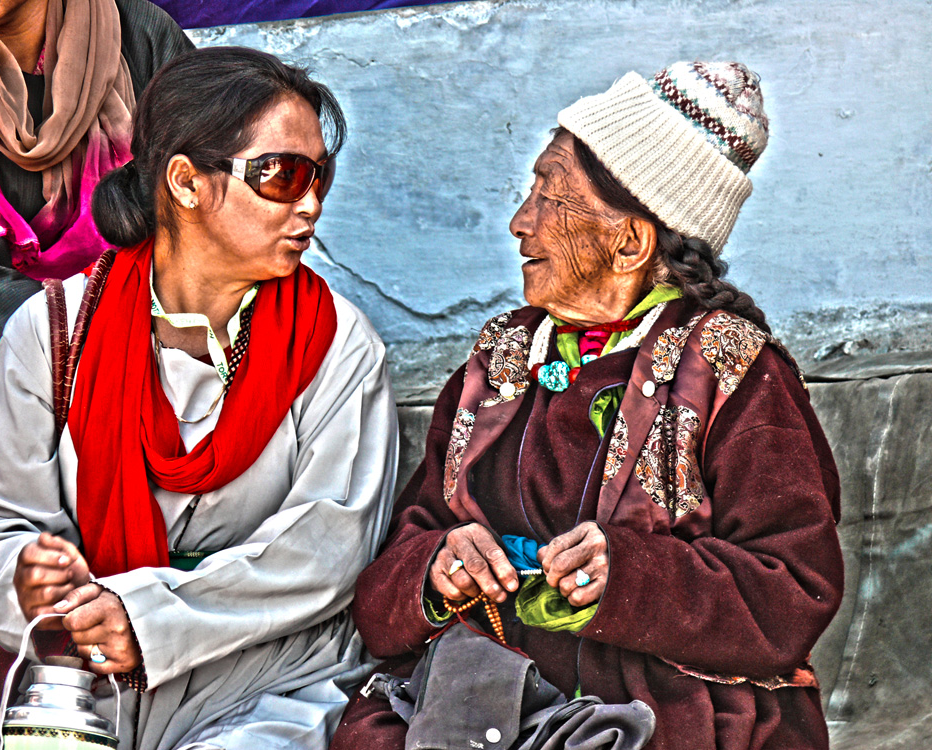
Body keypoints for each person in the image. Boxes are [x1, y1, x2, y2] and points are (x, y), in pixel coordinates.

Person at [332, 62, 843, 750]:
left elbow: (792, 592)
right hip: (488, 694)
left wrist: (629, 575)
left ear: (630, 241)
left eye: (550, 198)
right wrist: (436, 567)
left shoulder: (735, 371)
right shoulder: (500, 359)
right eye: (530, 193)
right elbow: (399, 560)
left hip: (667, 707)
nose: (520, 223)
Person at [0, 46, 398, 749]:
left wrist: (144, 617)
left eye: (320, 177)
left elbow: (326, 552)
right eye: (282, 175)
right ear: (185, 181)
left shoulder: (339, 346)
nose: (309, 204)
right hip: (81, 698)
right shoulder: (56, 329)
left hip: (267, 695)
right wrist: (28, 581)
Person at [0, 0, 192, 556]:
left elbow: (208, 204)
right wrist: (78, 353)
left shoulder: (140, 36)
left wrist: (140, 340)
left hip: (154, 327)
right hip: (0, 333)